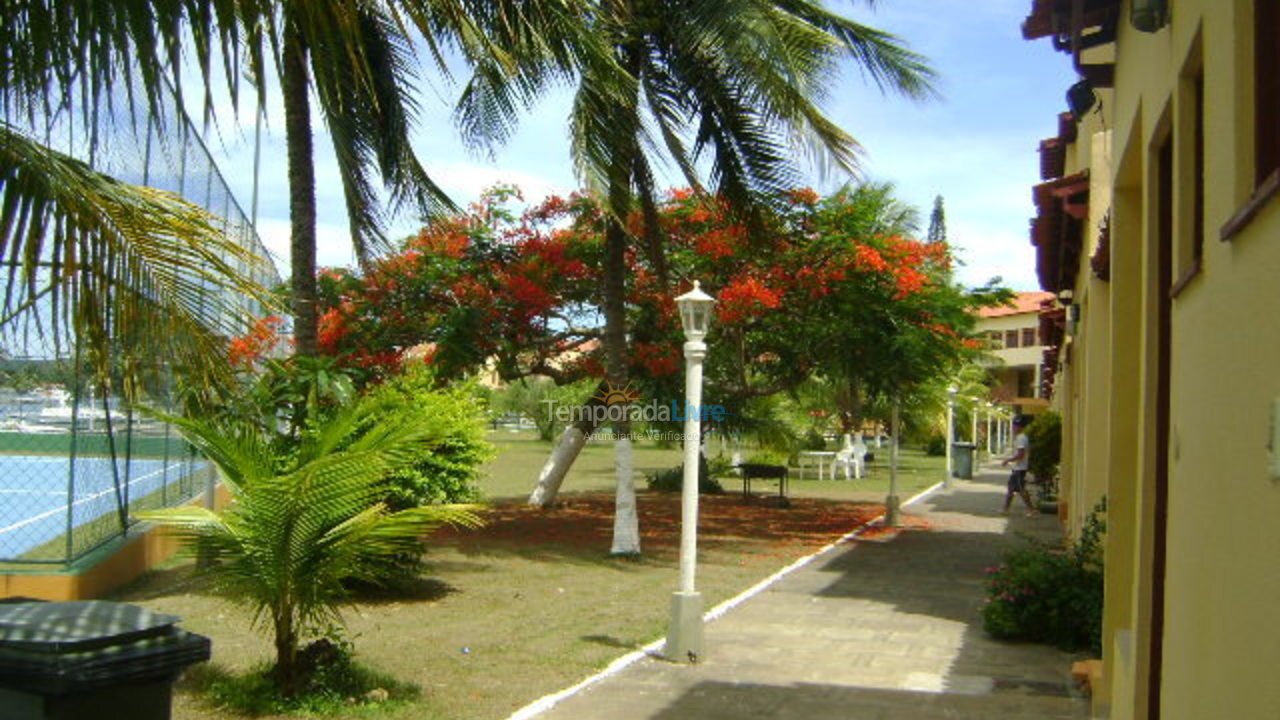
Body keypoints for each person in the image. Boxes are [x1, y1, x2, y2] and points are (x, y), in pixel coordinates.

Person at [1001, 415, 1037, 516]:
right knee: (1011, 489)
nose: (1014, 428)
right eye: (1014, 426)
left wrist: (1008, 460)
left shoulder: (1021, 438)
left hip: (1019, 469)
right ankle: (1005, 509)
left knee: (1021, 490)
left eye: (1016, 426)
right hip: (1017, 468)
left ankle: (1031, 509)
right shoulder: (1020, 437)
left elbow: (1020, 455)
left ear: (1021, 427)